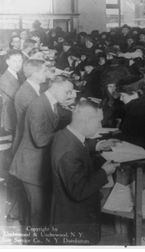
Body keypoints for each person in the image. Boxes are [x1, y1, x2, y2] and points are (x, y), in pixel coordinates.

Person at [10, 76, 75, 227]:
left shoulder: (51, 102)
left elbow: (66, 115)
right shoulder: (38, 105)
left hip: (39, 165)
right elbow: (40, 139)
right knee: (38, 215)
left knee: (39, 212)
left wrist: (83, 114)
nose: (70, 95)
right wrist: (68, 133)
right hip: (31, 168)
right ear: (56, 88)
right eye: (68, 91)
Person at [50, 100, 120, 243]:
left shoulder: (64, 135)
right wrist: (103, 172)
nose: (100, 126)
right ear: (86, 121)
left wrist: (99, 144)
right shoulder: (69, 153)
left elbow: (80, 144)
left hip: (68, 213)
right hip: (75, 220)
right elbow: (79, 191)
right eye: (99, 122)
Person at [12, 59, 48, 155]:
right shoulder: (26, 94)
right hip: (27, 146)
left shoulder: (33, 87)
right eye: (44, 71)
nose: (47, 73)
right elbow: (41, 117)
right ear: (35, 74)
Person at [114, 76, 145, 149]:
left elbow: (139, 141)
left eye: (122, 95)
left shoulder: (139, 111)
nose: (120, 99)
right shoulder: (139, 107)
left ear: (134, 93)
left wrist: (118, 136)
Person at [0, 50, 24, 136]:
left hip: (19, 113)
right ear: (7, 62)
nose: (18, 64)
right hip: (12, 117)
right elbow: (19, 98)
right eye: (14, 61)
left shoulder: (19, 74)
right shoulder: (4, 79)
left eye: (20, 61)